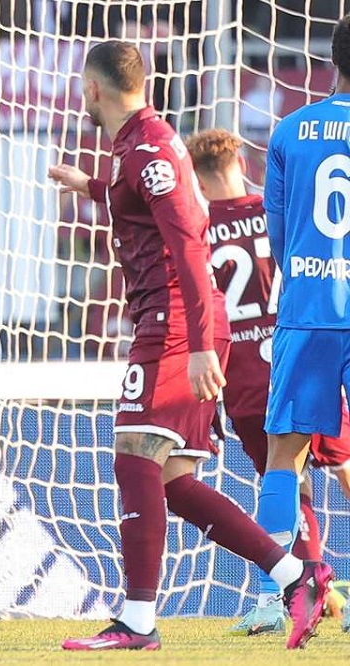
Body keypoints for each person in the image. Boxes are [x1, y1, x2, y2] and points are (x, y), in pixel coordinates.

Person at [47, 40, 331, 651]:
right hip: (177, 324)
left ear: (93, 89)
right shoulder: (136, 145)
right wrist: (90, 185)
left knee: (133, 456)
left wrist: (202, 343)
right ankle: (295, 577)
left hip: (175, 326)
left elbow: (189, 245)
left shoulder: (149, 148)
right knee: (172, 481)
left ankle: (137, 621)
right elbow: (139, 202)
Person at [185, 128, 350, 636]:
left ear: (198, 179)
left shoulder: (200, 228)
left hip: (246, 383)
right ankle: (311, 590)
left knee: (286, 483)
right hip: (305, 352)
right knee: (343, 468)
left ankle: (286, 597)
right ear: (241, 163)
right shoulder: (281, 210)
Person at [264, 11, 350, 637]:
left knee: (283, 457)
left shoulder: (289, 130)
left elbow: (278, 232)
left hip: (308, 311)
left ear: (333, 59)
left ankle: (278, 597)